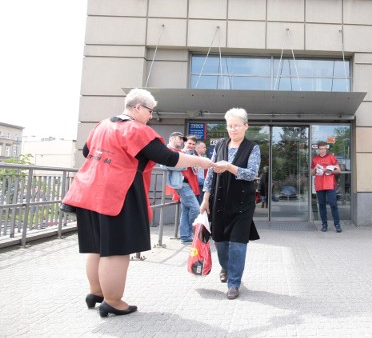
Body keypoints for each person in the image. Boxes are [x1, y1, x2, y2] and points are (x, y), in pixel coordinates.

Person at [61, 88, 215, 317]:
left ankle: (96, 292)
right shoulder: (136, 130)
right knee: (116, 250)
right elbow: (169, 157)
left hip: (86, 190)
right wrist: (205, 162)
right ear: (138, 108)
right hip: (116, 193)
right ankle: (113, 301)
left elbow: (87, 151)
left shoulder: (102, 125)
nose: (151, 116)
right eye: (150, 111)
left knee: (96, 246)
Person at [200, 108, 260, 300]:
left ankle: (234, 283)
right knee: (220, 242)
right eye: (230, 126)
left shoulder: (253, 147)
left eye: (237, 125)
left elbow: (251, 174)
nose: (233, 129)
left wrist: (229, 167)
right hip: (219, 200)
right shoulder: (219, 146)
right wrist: (205, 197)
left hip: (243, 203)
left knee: (237, 244)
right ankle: (225, 267)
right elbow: (210, 172)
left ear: (245, 126)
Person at [166, 132, 201, 244]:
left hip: (188, 184)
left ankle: (185, 236)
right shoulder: (170, 150)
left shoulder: (184, 152)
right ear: (171, 138)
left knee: (186, 211)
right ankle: (190, 233)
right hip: (182, 183)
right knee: (195, 208)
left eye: (182, 139)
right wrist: (186, 163)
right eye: (180, 139)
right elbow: (167, 165)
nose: (181, 141)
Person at [311, 141, 342, 233]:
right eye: (321, 149)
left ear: (326, 148)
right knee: (321, 205)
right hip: (320, 185)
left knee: (333, 204)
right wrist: (315, 169)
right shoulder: (315, 159)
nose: (323, 151)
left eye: (324, 148)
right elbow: (311, 173)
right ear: (318, 149)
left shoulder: (331, 157)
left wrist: (330, 171)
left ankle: (337, 225)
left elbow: (339, 170)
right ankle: (324, 225)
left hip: (330, 184)